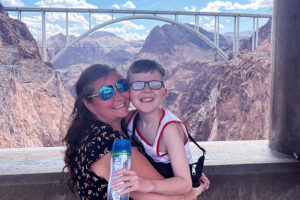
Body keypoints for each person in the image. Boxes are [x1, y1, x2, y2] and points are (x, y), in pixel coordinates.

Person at [63, 64, 209, 200]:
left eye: (122, 86)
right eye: (106, 93)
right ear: (88, 104)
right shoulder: (112, 146)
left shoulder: (97, 131)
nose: (119, 96)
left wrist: (181, 168)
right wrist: (195, 190)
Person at [119, 59, 208, 195]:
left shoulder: (169, 129)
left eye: (154, 84)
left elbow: (185, 184)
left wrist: (146, 185)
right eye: (137, 85)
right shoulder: (129, 119)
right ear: (129, 93)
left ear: (164, 92)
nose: (147, 90)